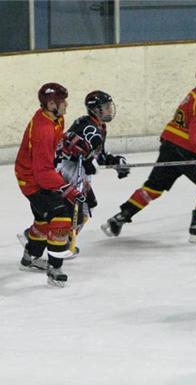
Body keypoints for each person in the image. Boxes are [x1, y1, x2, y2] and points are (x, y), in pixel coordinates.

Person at [101, 64, 196, 243]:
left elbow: (192, 125)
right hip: (186, 150)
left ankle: (120, 218)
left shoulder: (194, 94)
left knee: (154, 187)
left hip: (170, 145)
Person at [15, 82, 78, 287]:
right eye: (62, 101)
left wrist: (68, 144)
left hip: (36, 174)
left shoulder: (54, 118)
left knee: (43, 220)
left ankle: (30, 258)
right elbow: (42, 172)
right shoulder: (43, 130)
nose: (66, 104)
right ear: (51, 104)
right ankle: (54, 269)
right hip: (32, 180)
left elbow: (54, 146)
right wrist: (66, 188)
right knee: (60, 217)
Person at [54, 90, 130, 256]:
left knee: (87, 206)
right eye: (106, 107)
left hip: (77, 172)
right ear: (95, 109)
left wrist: (115, 162)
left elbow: (98, 154)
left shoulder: (99, 126)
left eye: (109, 106)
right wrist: (87, 162)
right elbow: (67, 146)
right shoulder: (88, 127)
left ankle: (59, 240)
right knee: (72, 211)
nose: (110, 109)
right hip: (69, 171)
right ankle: (56, 243)